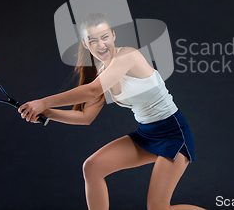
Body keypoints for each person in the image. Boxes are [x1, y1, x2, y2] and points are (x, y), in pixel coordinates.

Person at [19, 13, 205, 210]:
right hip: (147, 135)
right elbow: (85, 117)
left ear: (113, 35)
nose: (101, 45)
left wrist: (42, 102)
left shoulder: (128, 56)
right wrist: (47, 112)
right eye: (93, 40)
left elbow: (92, 90)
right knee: (92, 167)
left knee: (158, 208)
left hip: (174, 134)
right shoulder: (102, 73)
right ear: (85, 44)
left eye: (104, 37)